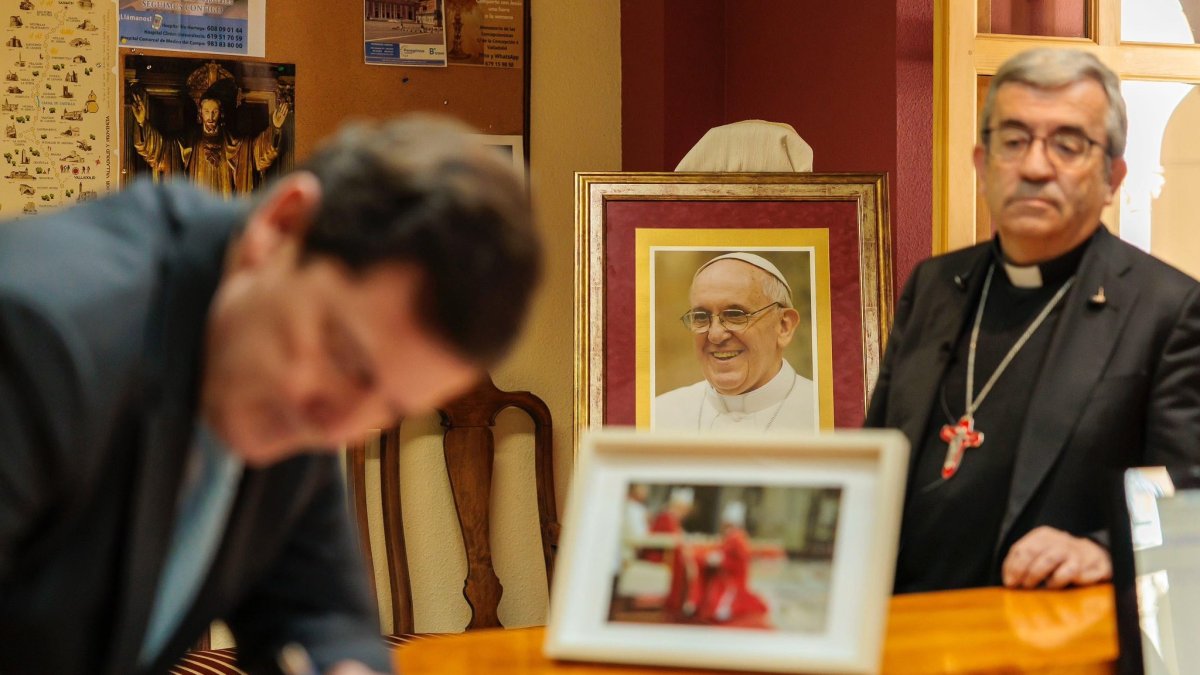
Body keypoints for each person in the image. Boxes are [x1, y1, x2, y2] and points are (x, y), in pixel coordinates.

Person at [0, 114, 540, 674]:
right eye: (346, 360)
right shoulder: (40, 333)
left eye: (391, 409)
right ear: (281, 226)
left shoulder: (298, 382)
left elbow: (320, 615)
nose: (339, 429)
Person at [866, 48, 1200, 594]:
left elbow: (1191, 499)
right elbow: (878, 453)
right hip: (907, 625)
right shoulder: (935, 285)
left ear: (1113, 175)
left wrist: (1102, 549)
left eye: (1068, 145)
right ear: (982, 164)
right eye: (1014, 141)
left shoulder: (1167, 308)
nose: (1035, 167)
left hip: (1044, 633)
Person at [654, 252, 817, 432]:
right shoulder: (660, 415)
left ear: (783, 326)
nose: (715, 335)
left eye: (735, 315)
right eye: (701, 317)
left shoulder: (826, 413)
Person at [130, 66, 291, 197]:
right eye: (207, 111)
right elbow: (159, 152)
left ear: (220, 113)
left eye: (214, 112)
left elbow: (260, 154)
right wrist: (142, 122)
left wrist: (275, 128)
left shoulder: (236, 145)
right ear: (200, 113)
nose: (210, 116)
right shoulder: (186, 142)